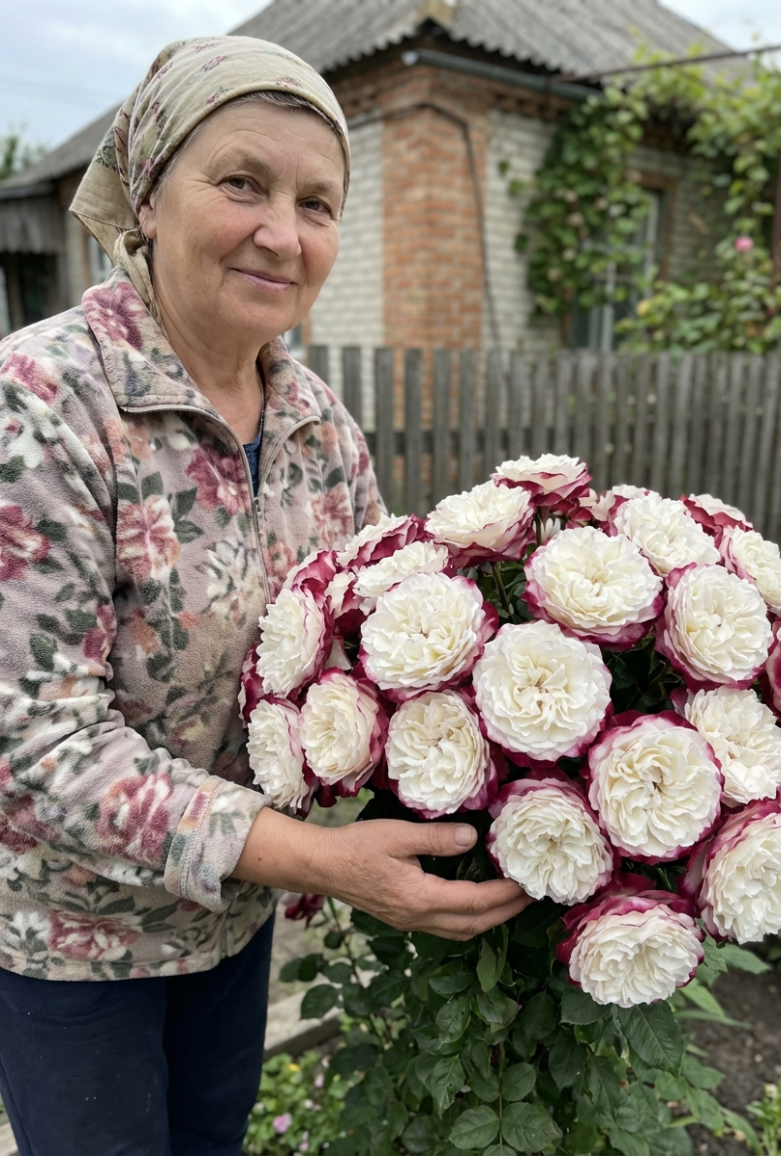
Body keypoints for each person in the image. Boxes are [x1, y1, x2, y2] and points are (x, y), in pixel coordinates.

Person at [0, 36, 528, 1156]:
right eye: (242, 182)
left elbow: (381, 640)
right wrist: (323, 860)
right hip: (74, 939)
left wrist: (535, 744)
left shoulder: (315, 424)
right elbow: (36, 744)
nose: (283, 233)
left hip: (233, 923)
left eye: (317, 202)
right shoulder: (42, 401)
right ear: (148, 197)